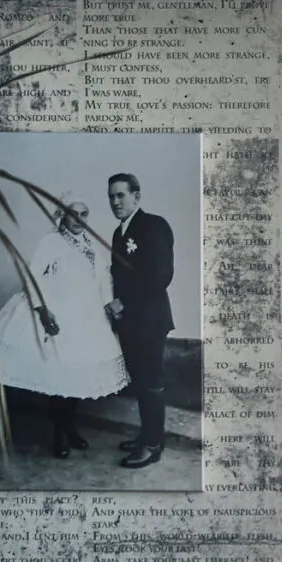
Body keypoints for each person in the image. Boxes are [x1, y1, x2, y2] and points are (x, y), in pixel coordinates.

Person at [0, 195, 128, 457]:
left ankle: (70, 427)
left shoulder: (92, 244)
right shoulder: (51, 242)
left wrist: (109, 304)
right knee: (61, 375)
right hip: (59, 312)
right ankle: (59, 433)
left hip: (88, 316)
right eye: (73, 214)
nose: (78, 219)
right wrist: (42, 311)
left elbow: (102, 279)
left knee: (77, 374)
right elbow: (32, 277)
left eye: (84, 214)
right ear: (62, 216)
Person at [104, 172, 177, 469]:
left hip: (150, 321)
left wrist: (125, 302)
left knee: (150, 383)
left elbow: (161, 275)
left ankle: (153, 445)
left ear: (136, 196)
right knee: (141, 382)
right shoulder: (119, 232)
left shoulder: (153, 225)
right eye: (111, 197)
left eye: (120, 195)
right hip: (131, 323)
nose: (115, 202)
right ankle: (147, 435)